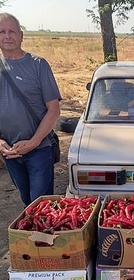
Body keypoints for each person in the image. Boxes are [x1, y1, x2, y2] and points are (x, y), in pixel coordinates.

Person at [0, 13, 61, 207]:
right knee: (27, 201)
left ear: (21, 35)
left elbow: (54, 110)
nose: (7, 36)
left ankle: (43, 238)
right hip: (10, 152)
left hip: (39, 150)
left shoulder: (38, 65)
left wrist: (33, 142)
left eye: (12, 31)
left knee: (40, 205)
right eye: (2, 31)